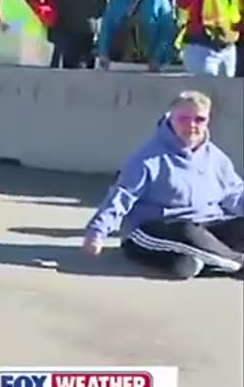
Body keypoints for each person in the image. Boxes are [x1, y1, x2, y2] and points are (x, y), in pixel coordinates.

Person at [83, 91, 244, 279]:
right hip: (153, 231)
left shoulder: (216, 158)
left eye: (199, 119)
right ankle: (236, 262)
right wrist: (97, 231)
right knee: (186, 232)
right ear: (171, 117)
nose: (191, 126)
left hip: (204, 228)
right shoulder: (148, 158)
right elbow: (122, 196)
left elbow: (236, 193)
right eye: (184, 118)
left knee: (184, 265)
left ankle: (207, 259)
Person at [97, 0, 177, 73]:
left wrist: (157, 58)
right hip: (120, 63)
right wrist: (103, 53)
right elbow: (107, 28)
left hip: (150, 65)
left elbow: (167, 32)